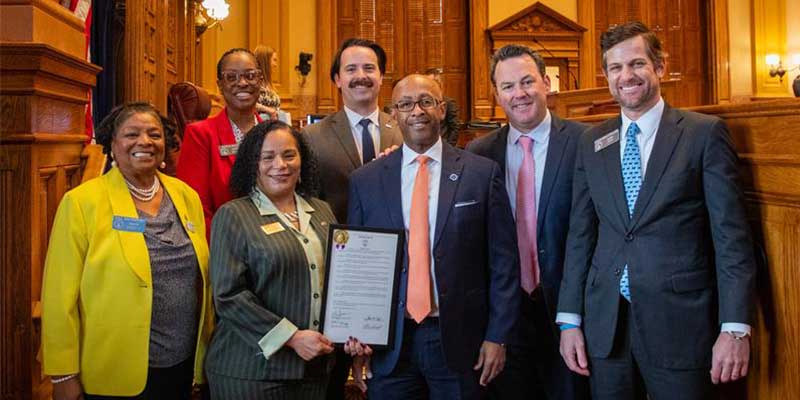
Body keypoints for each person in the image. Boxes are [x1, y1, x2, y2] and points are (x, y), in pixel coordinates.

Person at [556, 21, 756, 400]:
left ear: (660, 67)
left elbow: (732, 238)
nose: (626, 76)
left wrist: (735, 328)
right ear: (606, 75)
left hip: (680, 324)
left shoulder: (703, 134)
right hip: (607, 327)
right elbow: (580, 234)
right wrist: (569, 320)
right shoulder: (592, 141)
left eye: (636, 64)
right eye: (615, 68)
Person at [346, 74, 520, 399]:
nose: (417, 111)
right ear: (393, 114)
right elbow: (359, 268)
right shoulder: (365, 181)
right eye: (406, 104)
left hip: (460, 341)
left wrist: (498, 337)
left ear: (441, 110)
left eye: (426, 101)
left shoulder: (481, 174)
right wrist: (358, 339)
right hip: (391, 344)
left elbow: (504, 265)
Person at [41, 102, 214, 400]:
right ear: (113, 144)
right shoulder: (82, 202)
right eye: (131, 134)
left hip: (182, 366)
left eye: (154, 134)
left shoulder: (186, 196)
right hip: (114, 370)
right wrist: (63, 374)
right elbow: (59, 296)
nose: (144, 142)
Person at [466, 44, 590, 400]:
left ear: (546, 83)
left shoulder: (585, 142)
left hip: (571, 315)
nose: (518, 94)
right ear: (496, 95)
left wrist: (575, 317)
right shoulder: (479, 154)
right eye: (507, 87)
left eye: (526, 82)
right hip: (506, 317)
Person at [205, 120, 336, 398]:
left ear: (303, 160)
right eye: (268, 157)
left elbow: (340, 280)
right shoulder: (233, 215)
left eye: (289, 155)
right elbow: (229, 295)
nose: (281, 164)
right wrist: (291, 337)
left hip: (315, 368)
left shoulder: (322, 211)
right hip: (251, 371)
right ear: (253, 164)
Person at [303, 37, 403, 223]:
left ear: (381, 77)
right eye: (351, 69)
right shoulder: (312, 136)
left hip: (398, 243)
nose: (361, 76)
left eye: (369, 68)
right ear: (338, 80)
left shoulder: (404, 132)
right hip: (339, 243)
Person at [177, 48, 264, 237]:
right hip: (225, 244)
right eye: (231, 77)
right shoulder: (200, 135)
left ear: (260, 81)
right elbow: (195, 208)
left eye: (250, 75)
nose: (242, 83)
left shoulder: (276, 135)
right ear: (220, 85)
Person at [424, 67, 461, 146]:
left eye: (433, 82)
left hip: (443, 145)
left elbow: (455, 127)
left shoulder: (449, 102)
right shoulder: (421, 103)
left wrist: (449, 146)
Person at [254, 44, 281, 119]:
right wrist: (267, 110)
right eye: (274, 60)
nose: (276, 65)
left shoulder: (268, 83)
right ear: (265, 61)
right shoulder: (253, 82)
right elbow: (246, 104)